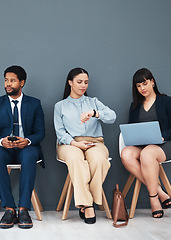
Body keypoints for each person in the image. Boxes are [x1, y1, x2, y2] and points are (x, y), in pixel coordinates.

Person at [54, 67, 116, 224]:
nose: (83, 85)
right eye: (79, 82)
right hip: (69, 143)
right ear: (70, 83)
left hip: (95, 142)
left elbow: (112, 117)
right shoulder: (60, 106)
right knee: (76, 160)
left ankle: (86, 200)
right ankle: (88, 205)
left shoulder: (93, 102)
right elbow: (60, 133)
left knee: (100, 160)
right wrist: (75, 143)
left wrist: (95, 113)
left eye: (86, 82)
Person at [0, 65, 45, 229]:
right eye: (6, 80)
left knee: (30, 155)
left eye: (12, 80)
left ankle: (24, 209)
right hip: (4, 148)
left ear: (22, 82)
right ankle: (10, 209)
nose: (8, 84)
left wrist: (27, 141)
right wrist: (1, 141)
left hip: (26, 147)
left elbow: (40, 132)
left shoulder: (34, 104)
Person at [120, 68, 171, 218]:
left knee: (147, 154)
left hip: (165, 145)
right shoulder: (134, 106)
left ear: (152, 82)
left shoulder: (166, 101)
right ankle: (160, 192)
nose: (142, 88)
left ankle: (153, 198)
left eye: (145, 83)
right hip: (143, 145)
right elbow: (133, 128)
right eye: (138, 86)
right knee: (126, 154)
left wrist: (162, 137)